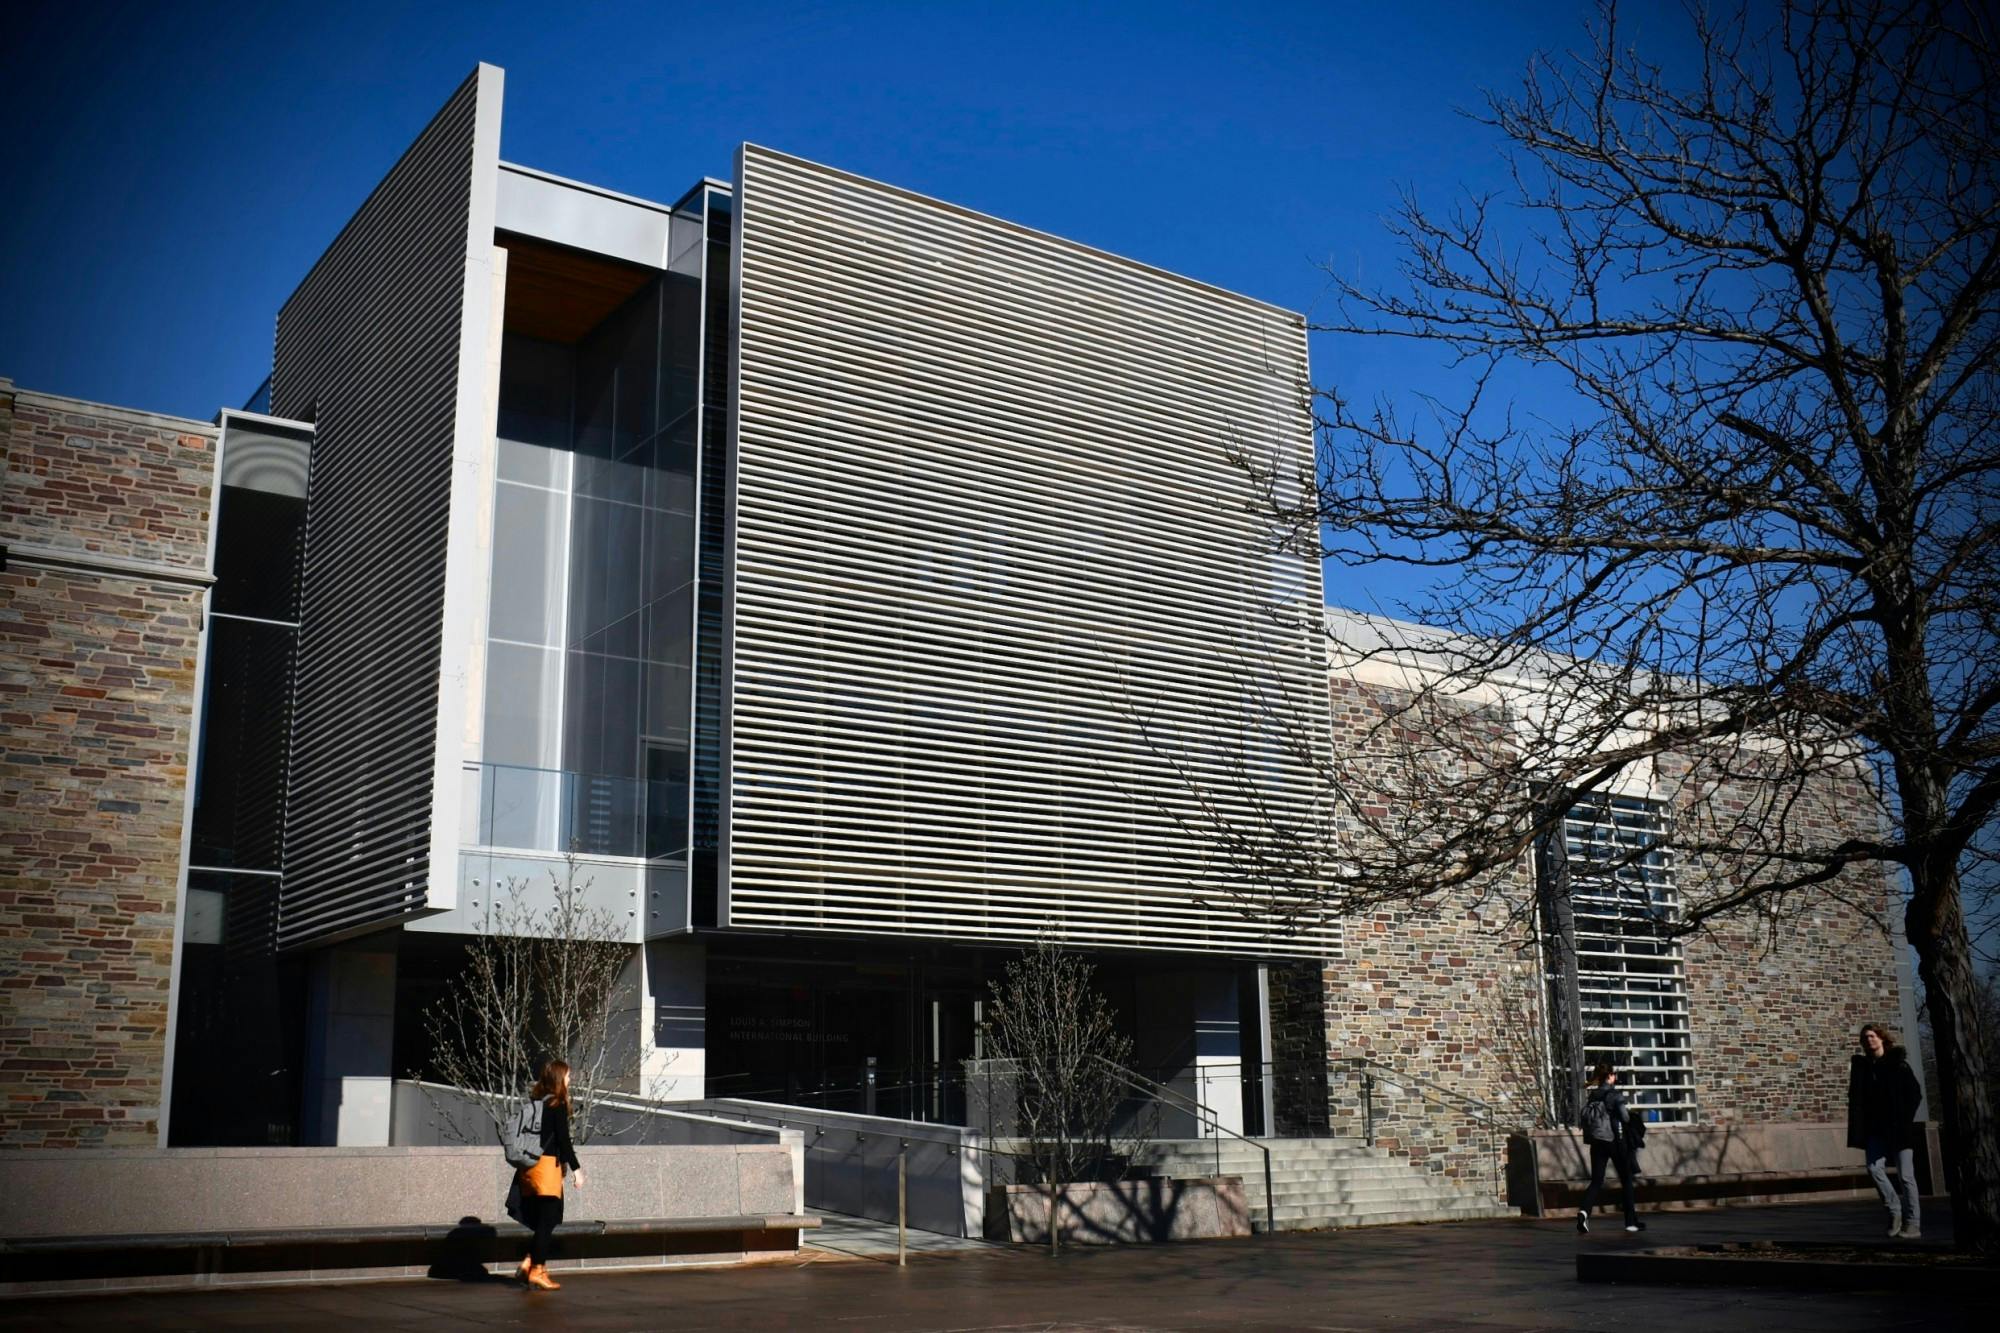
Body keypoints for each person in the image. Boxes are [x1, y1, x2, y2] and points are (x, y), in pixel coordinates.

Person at [506, 1059, 586, 1290]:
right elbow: (563, 1140)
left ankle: (529, 1262)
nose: (570, 1080)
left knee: (545, 1220)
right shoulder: (556, 1104)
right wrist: (577, 1170)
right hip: (547, 1168)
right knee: (548, 1220)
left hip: (530, 1167)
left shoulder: (539, 1102)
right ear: (559, 1078)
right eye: (568, 1076)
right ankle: (537, 1270)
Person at [1847, 1022, 1923, 1238]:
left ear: (1881, 1038)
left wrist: (1904, 1119)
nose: (1868, 1040)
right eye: (1865, 1038)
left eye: (1872, 1036)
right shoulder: (1863, 1069)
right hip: (1876, 1129)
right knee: (1874, 1168)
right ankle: (1894, 1210)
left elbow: (1915, 1094)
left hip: (1899, 1128)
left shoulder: (1898, 1065)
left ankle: (1913, 1223)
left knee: (1906, 1176)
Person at [1576, 1061, 1644, 1235]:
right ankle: (1630, 1222)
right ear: (1609, 1076)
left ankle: (1584, 1211)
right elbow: (1625, 1118)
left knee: (1597, 1181)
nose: (1615, 1077)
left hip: (1596, 1142)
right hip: (1614, 1141)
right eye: (1613, 1074)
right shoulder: (1614, 1095)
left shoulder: (1594, 1096)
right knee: (1626, 1179)